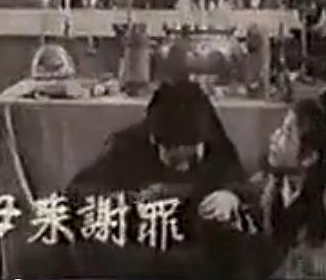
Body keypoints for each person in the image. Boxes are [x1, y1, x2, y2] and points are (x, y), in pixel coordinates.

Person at [65, 80, 263, 278]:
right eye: (176, 160)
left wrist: (230, 195)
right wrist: (127, 202)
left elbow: (240, 182)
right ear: (154, 140)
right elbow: (79, 192)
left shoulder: (213, 141)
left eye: (193, 157)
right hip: (144, 249)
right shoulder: (126, 147)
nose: (185, 168)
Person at [246, 98, 326, 278]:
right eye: (279, 129)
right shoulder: (265, 185)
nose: (274, 137)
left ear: (309, 158)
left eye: (286, 134)